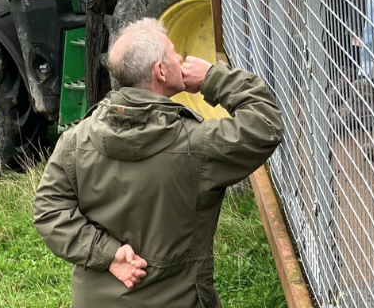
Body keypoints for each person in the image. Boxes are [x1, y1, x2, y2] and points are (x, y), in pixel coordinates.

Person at [32, 18, 284, 307]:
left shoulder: (75, 141)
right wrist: (212, 78)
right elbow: (265, 123)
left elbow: (48, 210)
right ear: (160, 71)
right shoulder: (196, 145)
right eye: (174, 53)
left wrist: (108, 254)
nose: (180, 59)